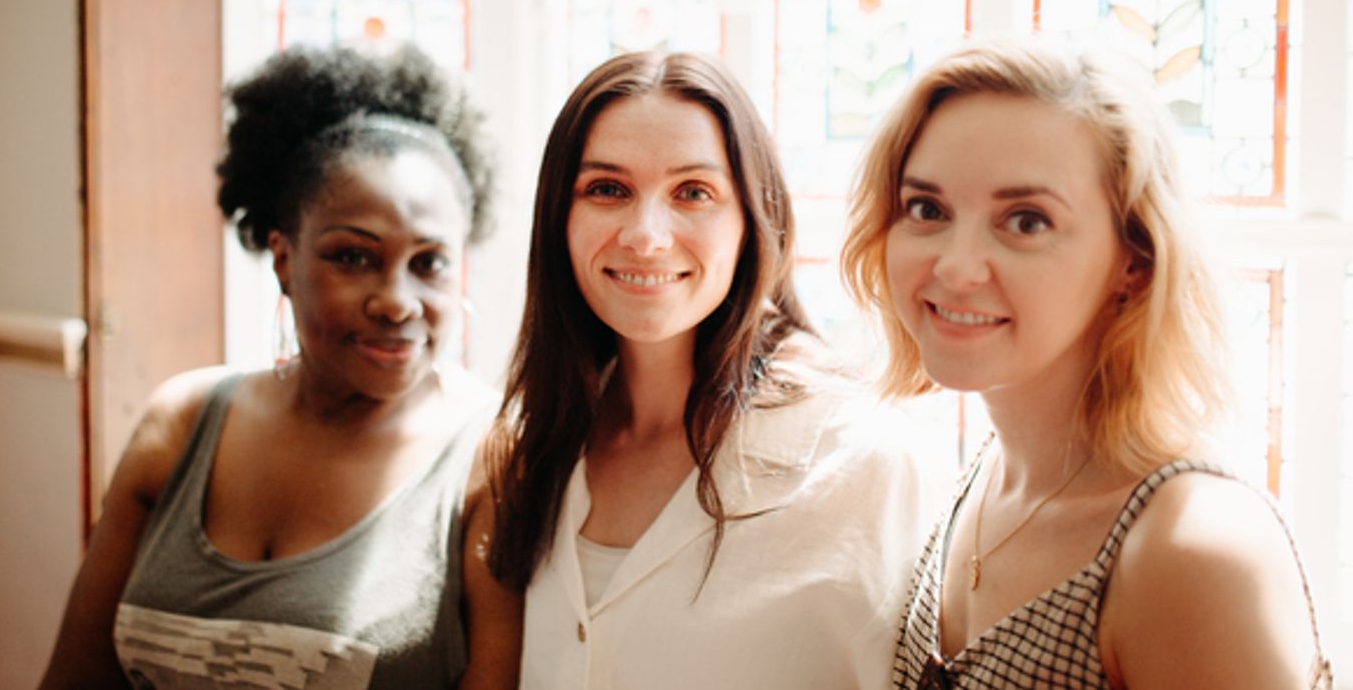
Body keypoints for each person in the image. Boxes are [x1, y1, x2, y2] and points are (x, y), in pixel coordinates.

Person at [840, 38, 1332, 688]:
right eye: (927, 209)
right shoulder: (983, 478)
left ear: (1134, 258)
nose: (956, 266)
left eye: (1026, 220)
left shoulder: (1191, 551)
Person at [40, 45, 521, 689]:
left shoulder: (493, 463)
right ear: (282, 258)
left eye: (429, 262)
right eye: (353, 257)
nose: (396, 302)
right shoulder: (180, 425)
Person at [484, 50, 926, 689]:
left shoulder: (863, 457)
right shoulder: (536, 447)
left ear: (753, 218)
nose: (646, 235)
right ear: (560, 219)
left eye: (694, 192)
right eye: (608, 189)